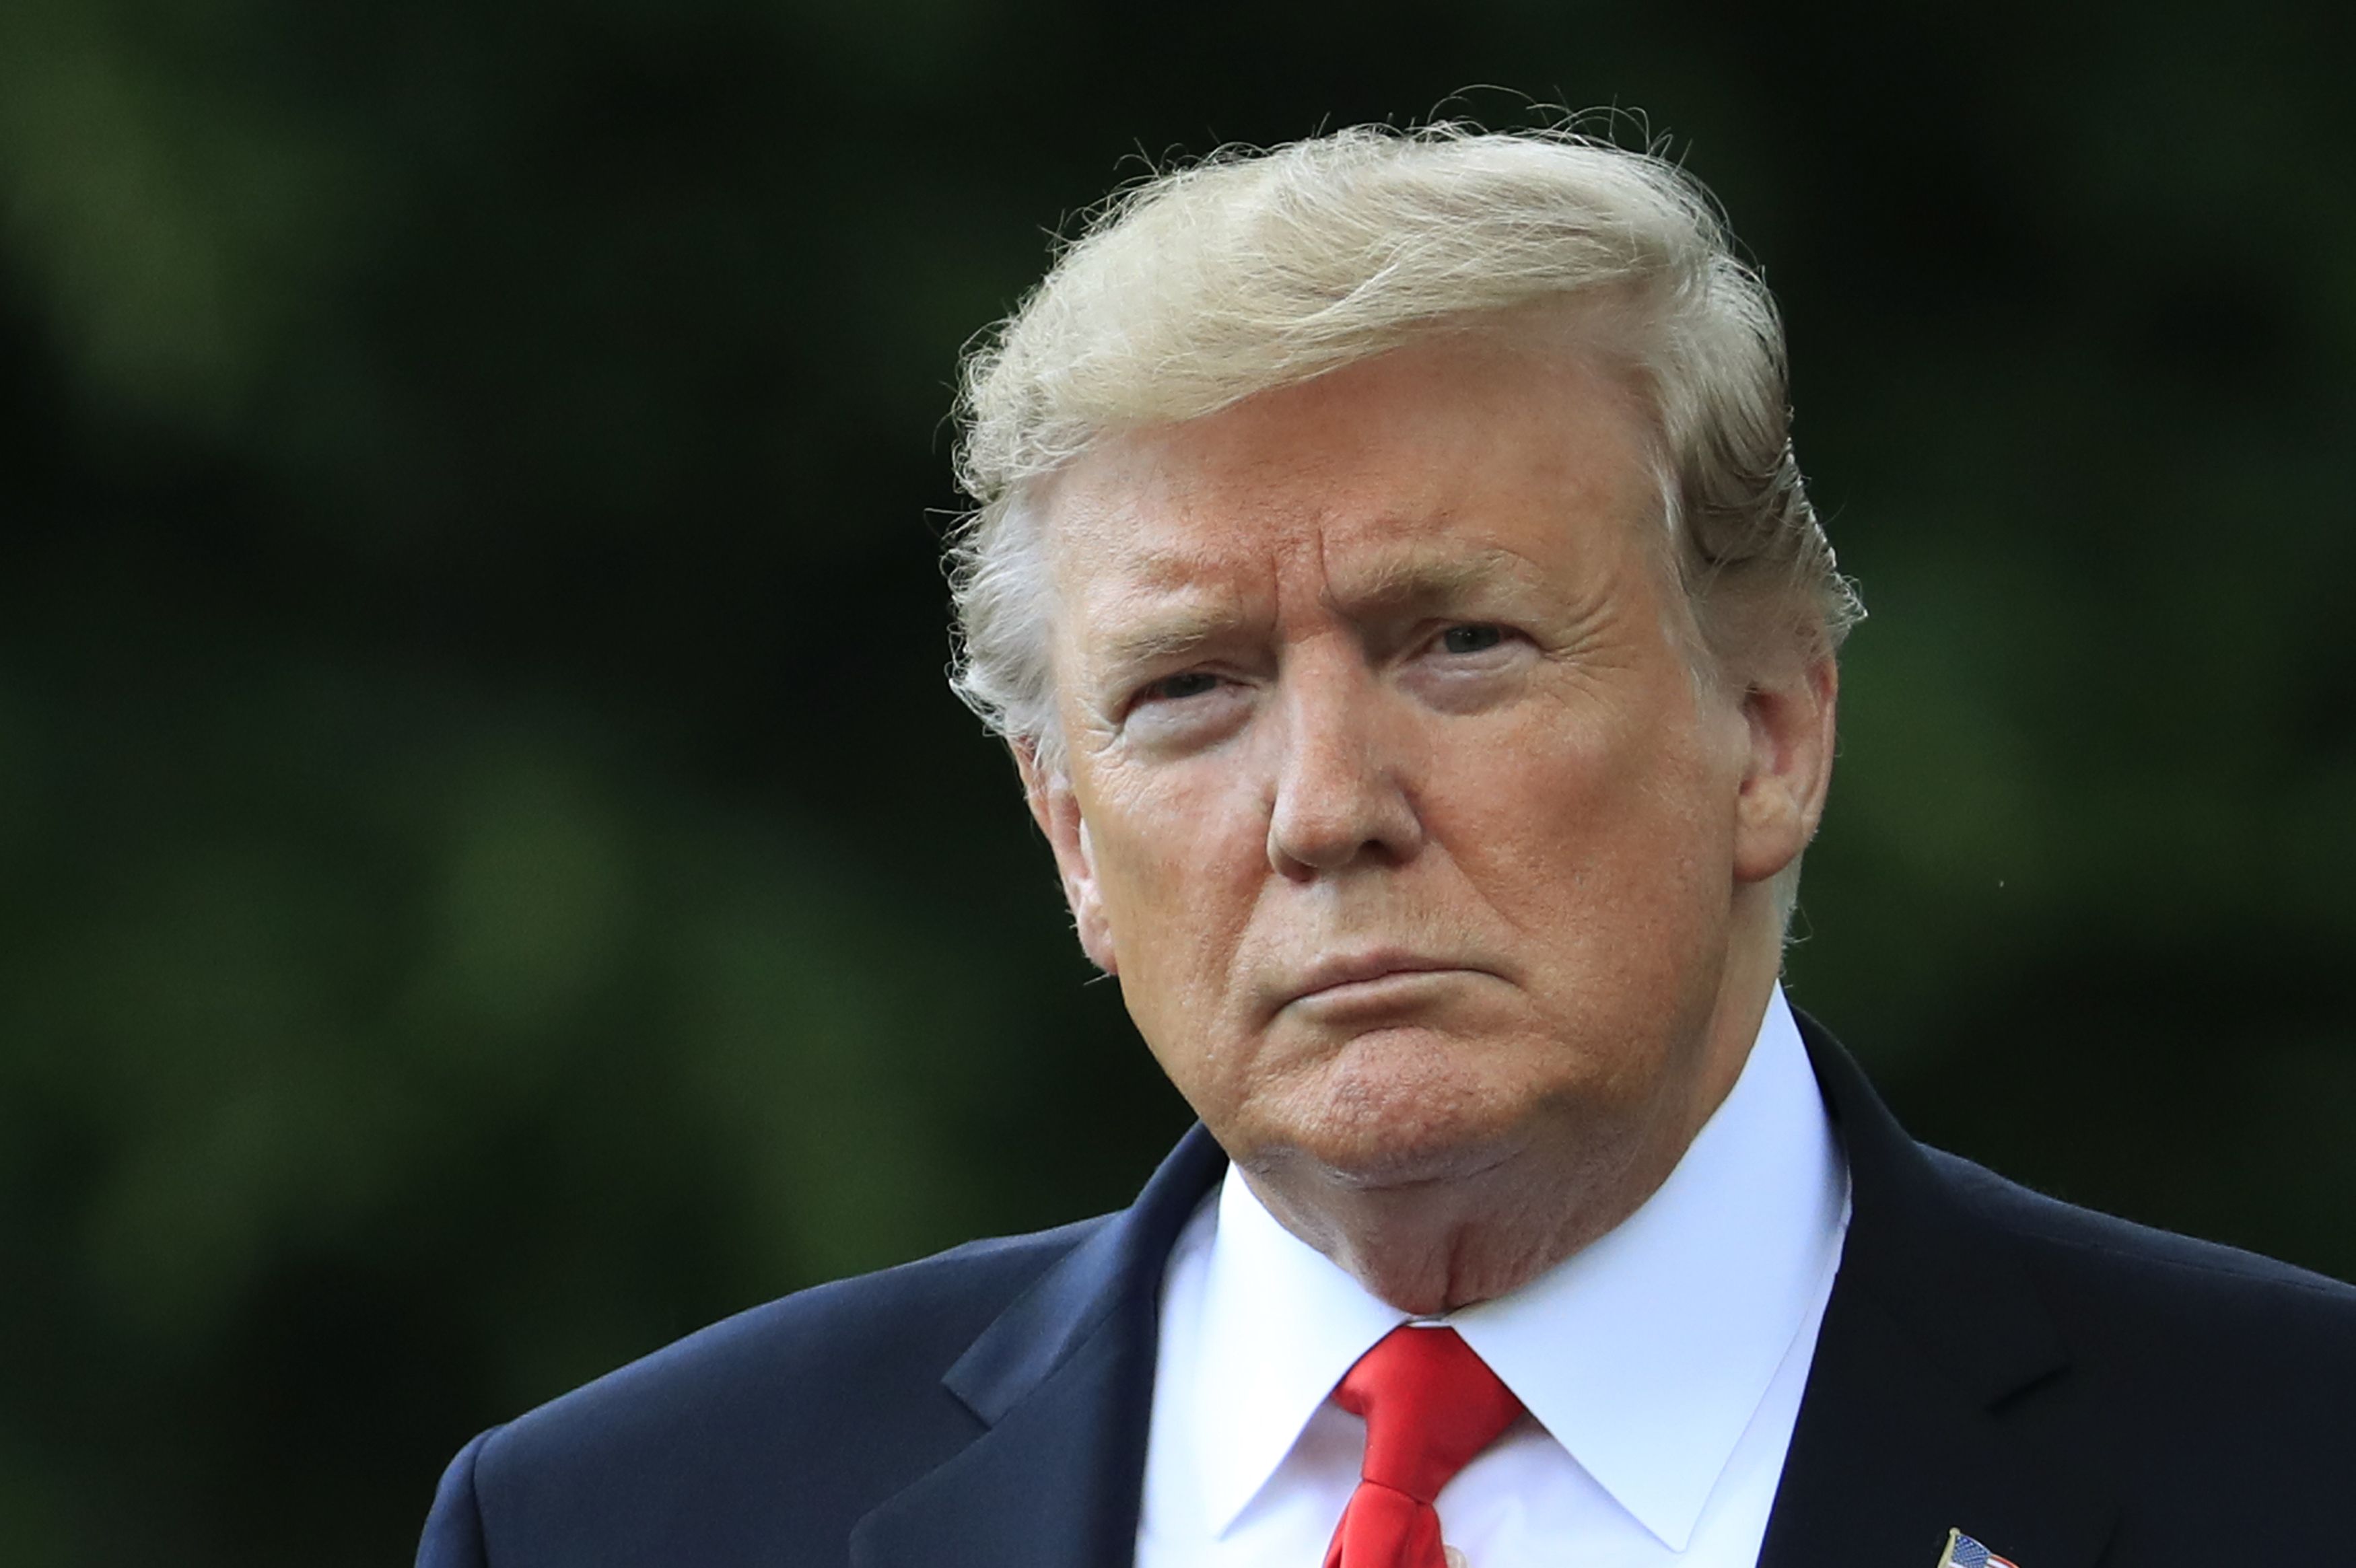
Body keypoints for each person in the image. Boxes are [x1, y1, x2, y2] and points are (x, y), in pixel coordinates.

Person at [415, 125, 2356, 1568]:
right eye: (1187, 686)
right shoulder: (620, 1520)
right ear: (1071, 834)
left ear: (1768, 728)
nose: (1323, 804)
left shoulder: (2288, 1466)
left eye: (1459, 642)